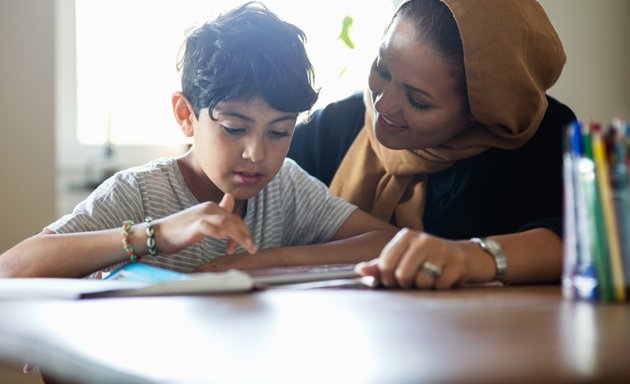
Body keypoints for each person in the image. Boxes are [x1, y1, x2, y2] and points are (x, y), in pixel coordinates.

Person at [0, 2, 396, 279]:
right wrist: (155, 234)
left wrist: (267, 261)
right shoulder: (140, 193)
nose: (256, 153)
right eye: (234, 128)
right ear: (186, 115)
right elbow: (11, 269)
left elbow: (389, 242)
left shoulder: (286, 188)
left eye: (279, 132)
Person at [287, 0, 577, 289]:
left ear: (480, 112)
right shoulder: (341, 123)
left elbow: (586, 237)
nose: (382, 104)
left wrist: (472, 256)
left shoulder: (540, 137)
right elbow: (265, 187)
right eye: (382, 69)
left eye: (418, 101)